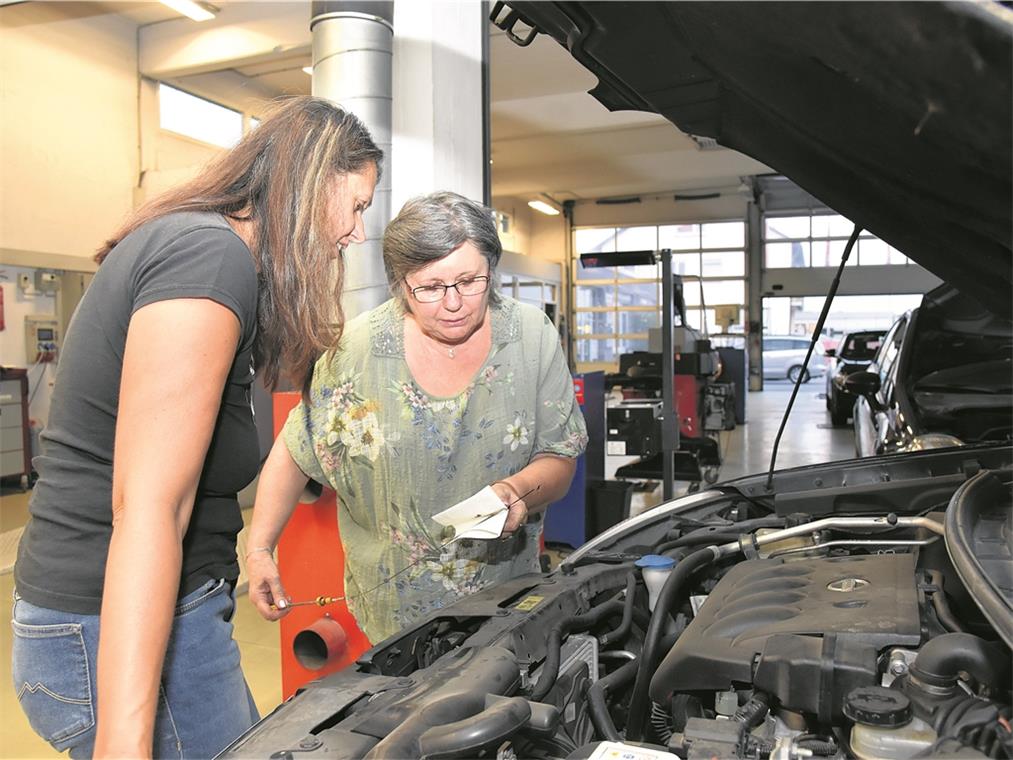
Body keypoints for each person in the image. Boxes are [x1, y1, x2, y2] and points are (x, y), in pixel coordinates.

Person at [11, 96, 382, 758]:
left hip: (169, 612)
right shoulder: (207, 259)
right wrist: (126, 744)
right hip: (111, 621)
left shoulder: (213, 259)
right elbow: (150, 506)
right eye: (355, 206)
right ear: (310, 183)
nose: (357, 233)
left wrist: (254, 549)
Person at [247, 191, 588, 644]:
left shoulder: (529, 337)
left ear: (492, 270)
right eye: (429, 287)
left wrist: (517, 489)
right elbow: (295, 451)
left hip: (505, 603)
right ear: (399, 283)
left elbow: (559, 459)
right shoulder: (355, 352)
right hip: (392, 618)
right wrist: (258, 549)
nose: (453, 303)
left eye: (470, 281)